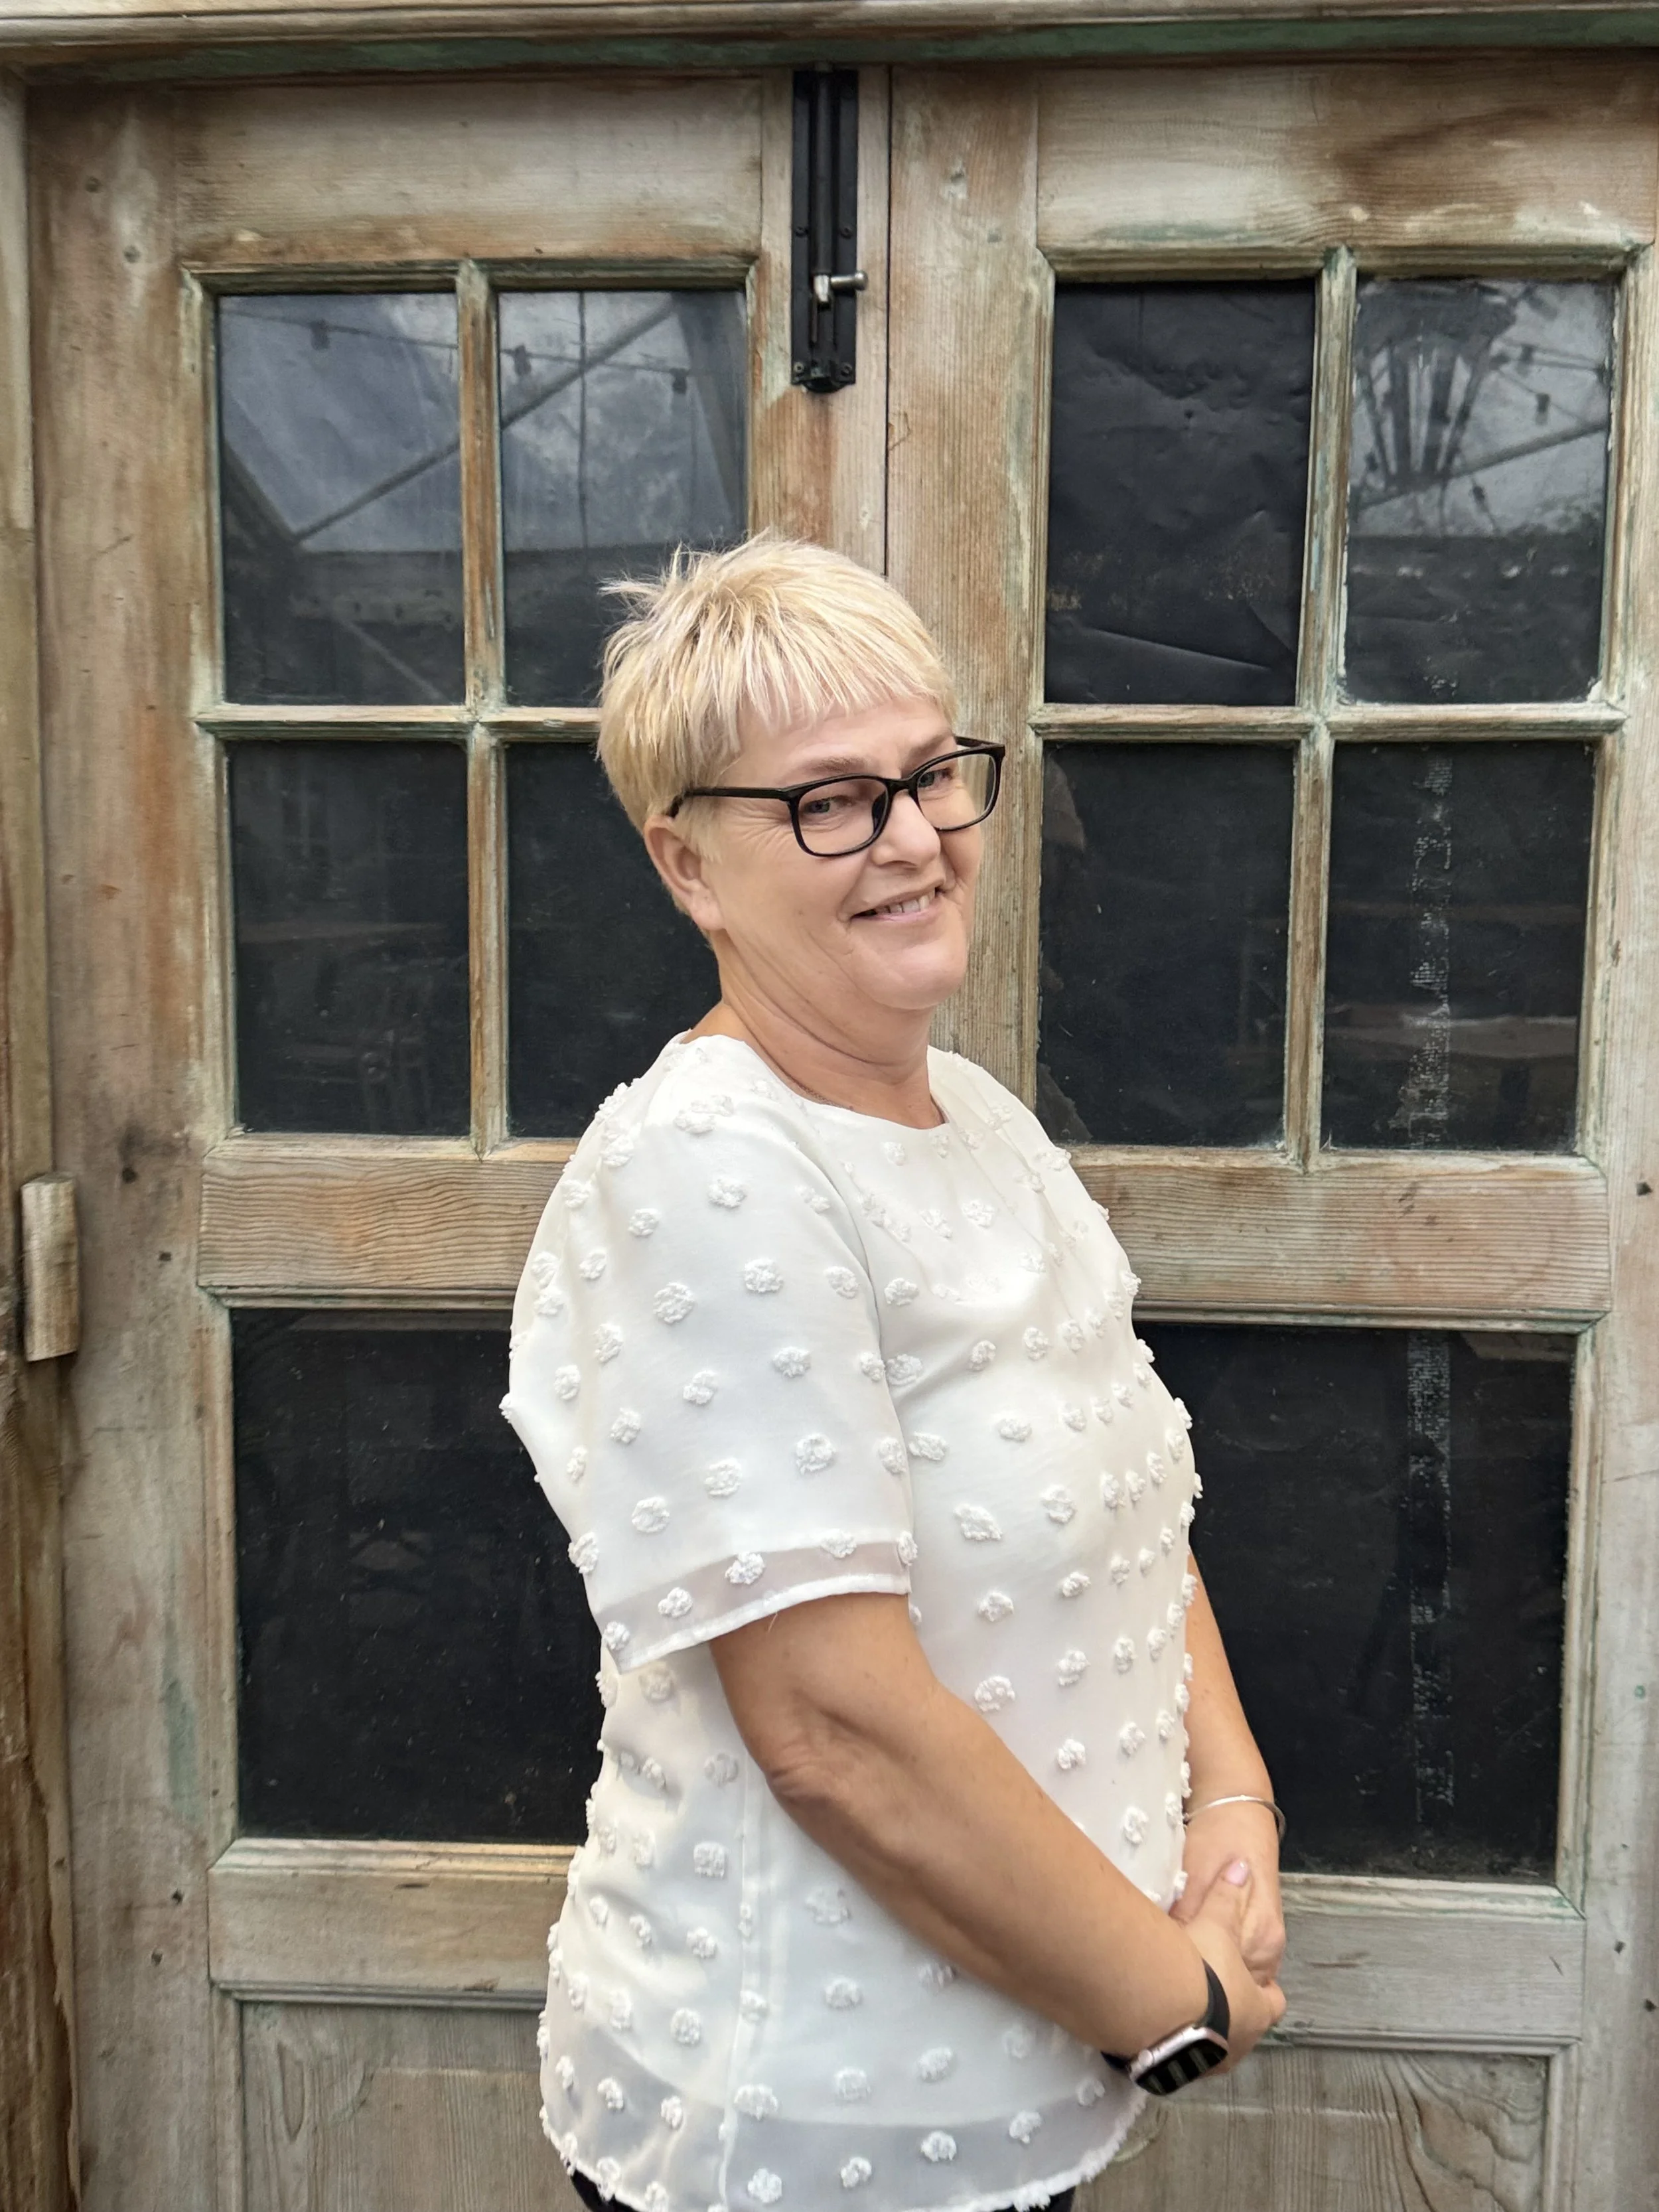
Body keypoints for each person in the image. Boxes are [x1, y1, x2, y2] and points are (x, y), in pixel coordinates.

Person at [501, 536, 1286, 2212]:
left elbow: (1131, 1484)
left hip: (1030, 2065)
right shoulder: (705, 1169)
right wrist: (1172, 2007)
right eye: (828, 801)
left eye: (931, 773)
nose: (917, 837)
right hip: (803, 2131)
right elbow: (833, 1730)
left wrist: (1230, 1799)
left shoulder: (976, 1119)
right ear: (686, 865)